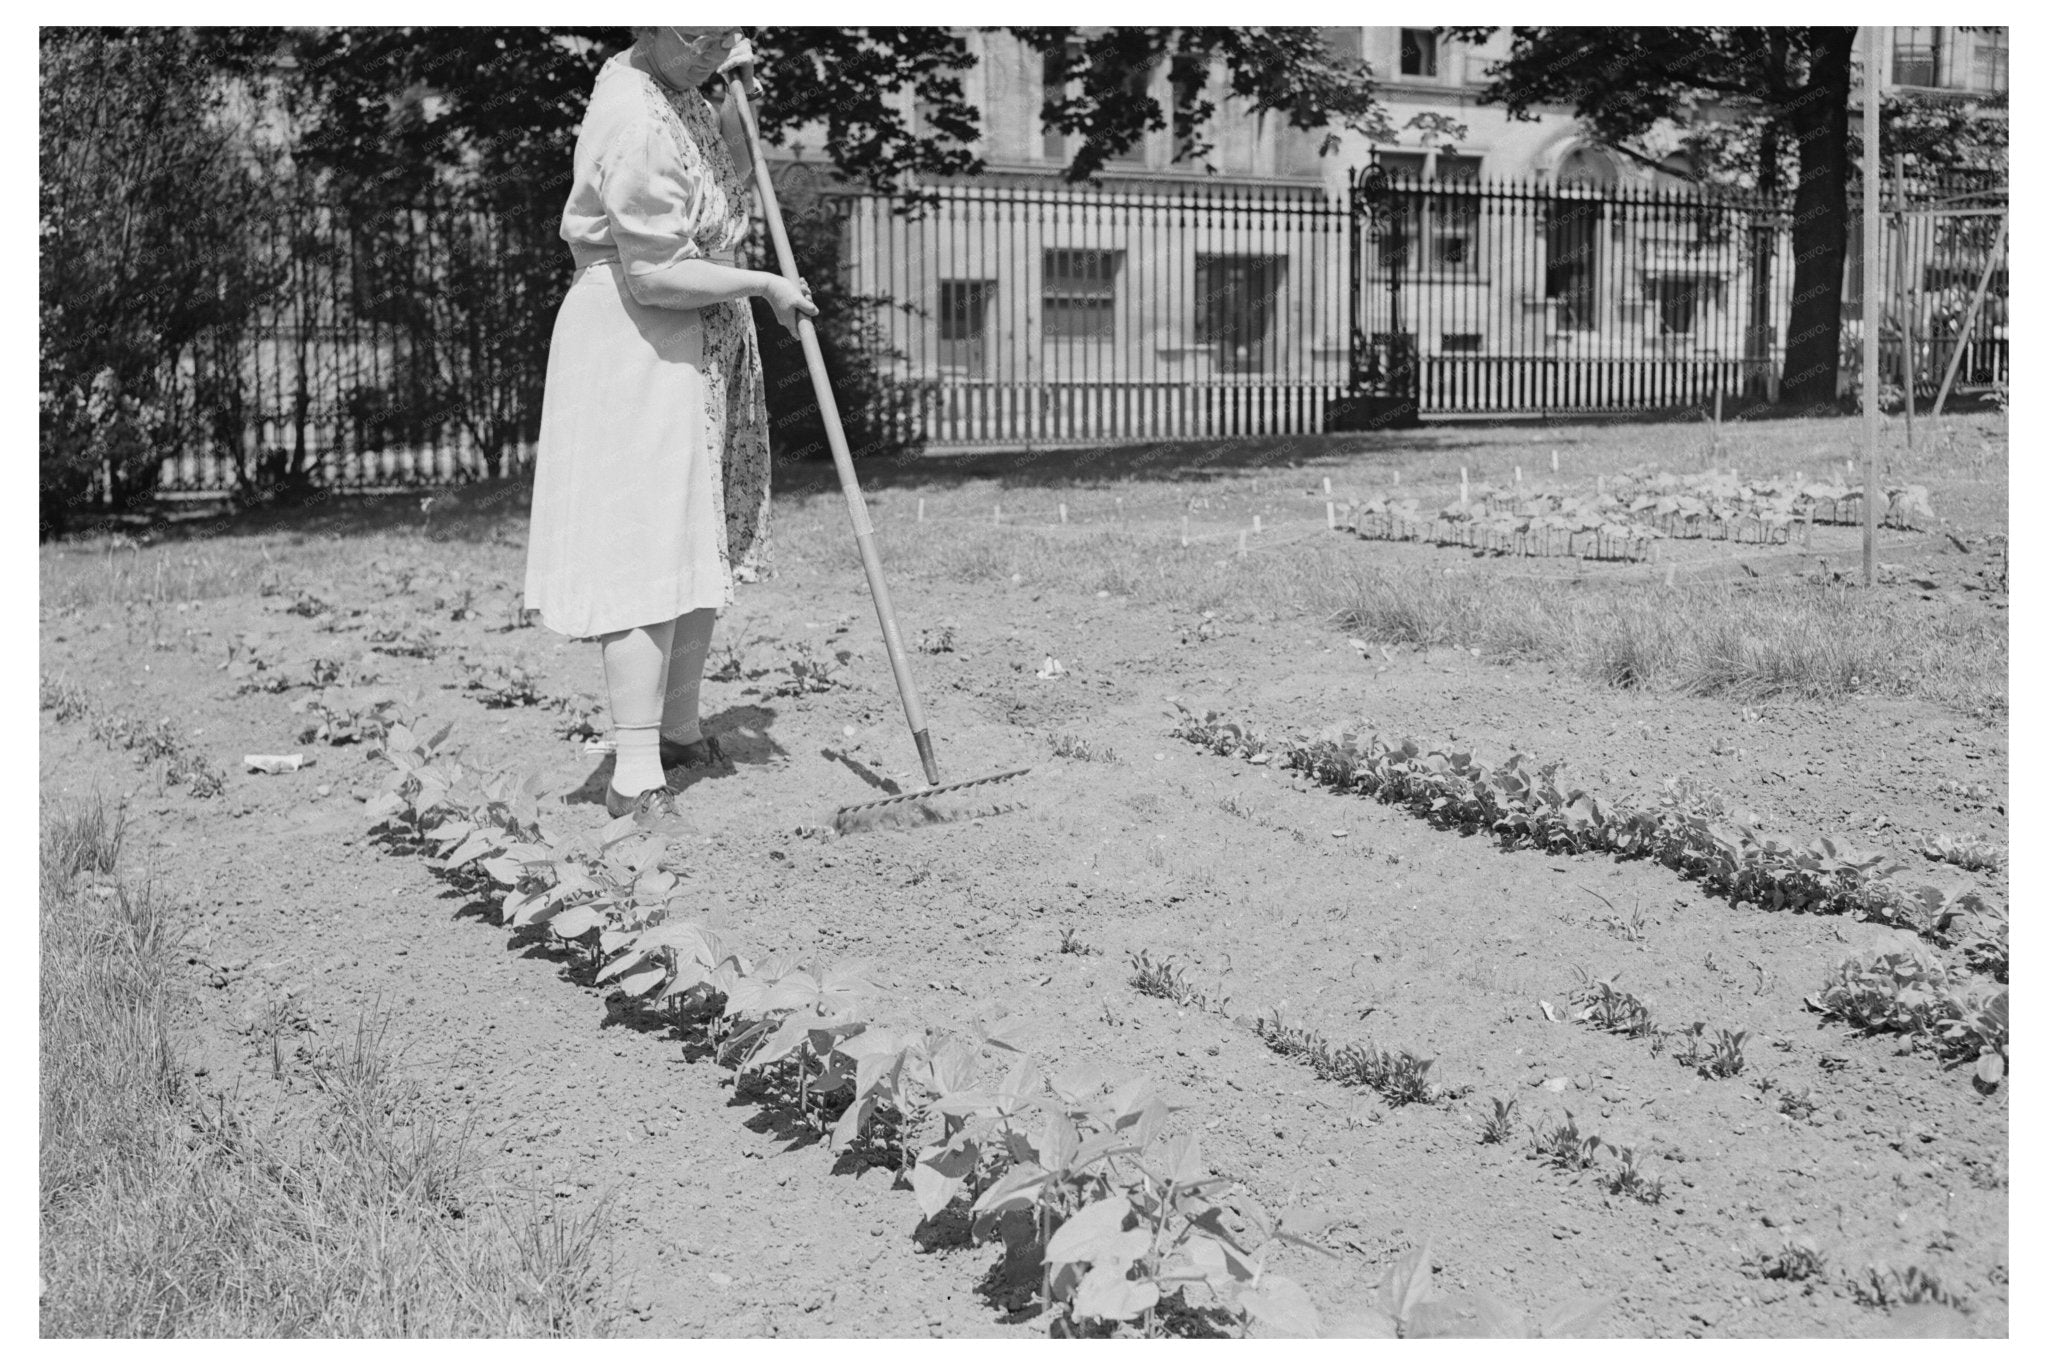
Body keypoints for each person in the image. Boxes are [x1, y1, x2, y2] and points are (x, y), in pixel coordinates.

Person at [524, 26, 816, 818]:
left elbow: (717, 182)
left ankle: (680, 730)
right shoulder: (635, 116)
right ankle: (633, 773)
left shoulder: (676, 88)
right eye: (696, 36)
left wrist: (733, 96)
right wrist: (763, 284)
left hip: (693, 342)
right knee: (646, 554)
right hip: (639, 342)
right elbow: (655, 272)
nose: (709, 49)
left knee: (694, 540)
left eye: (723, 33)